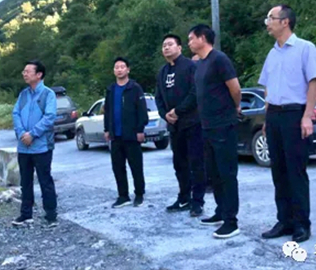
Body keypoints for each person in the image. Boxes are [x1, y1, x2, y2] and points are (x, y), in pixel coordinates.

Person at [259, 5, 316, 243]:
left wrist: (307, 115)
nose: (267, 23)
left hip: (295, 114)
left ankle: (301, 224)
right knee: (278, 171)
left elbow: (313, 82)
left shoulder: (306, 48)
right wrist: (266, 118)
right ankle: (284, 220)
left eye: (271, 18)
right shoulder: (272, 53)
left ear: (285, 22)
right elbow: (267, 88)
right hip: (274, 115)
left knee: (296, 171)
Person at [188, 24, 242, 240]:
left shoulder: (219, 59)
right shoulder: (200, 64)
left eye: (191, 38)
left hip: (223, 125)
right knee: (214, 173)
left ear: (202, 38)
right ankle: (221, 211)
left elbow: (235, 88)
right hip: (206, 126)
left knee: (227, 173)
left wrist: (234, 107)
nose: (189, 43)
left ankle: (231, 221)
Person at [155, 34, 206, 217]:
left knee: (196, 163)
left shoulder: (191, 67)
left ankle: (197, 201)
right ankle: (184, 197)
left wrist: (178, 111)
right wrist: (165, 115)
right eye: (164, 45)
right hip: (174, 126)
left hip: (192, 123)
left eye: (170, 44)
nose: (166, 48)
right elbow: (158, 97)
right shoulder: (162, 72)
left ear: (179, 47)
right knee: (179, 164)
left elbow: (195, 92)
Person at [12, 60, 58, 227]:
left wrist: (32, 134)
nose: (24, 74)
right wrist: (21, 133)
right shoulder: (23, 94)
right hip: (23, 146)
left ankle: (51, 215)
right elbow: (16, 113)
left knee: (45, 180)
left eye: (27, 71)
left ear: (39, 74)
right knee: (25, 182)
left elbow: (49, 117)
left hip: (42, 146)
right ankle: (26, 214)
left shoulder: (48, 94)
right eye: (24, 71)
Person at [103, 57, 149, 208]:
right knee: (118, 167)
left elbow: (142, 110)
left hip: (132, 134)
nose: (119, 70)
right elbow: (107, 111)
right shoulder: (111, 89)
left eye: (122, 67)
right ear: (113, 70)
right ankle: (123, 196)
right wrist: (106, 129)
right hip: (115, 135)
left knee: (136, 166)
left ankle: (139, 194)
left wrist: (140, 129)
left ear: (128, 70)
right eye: (117, 67)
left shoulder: (135, 88)